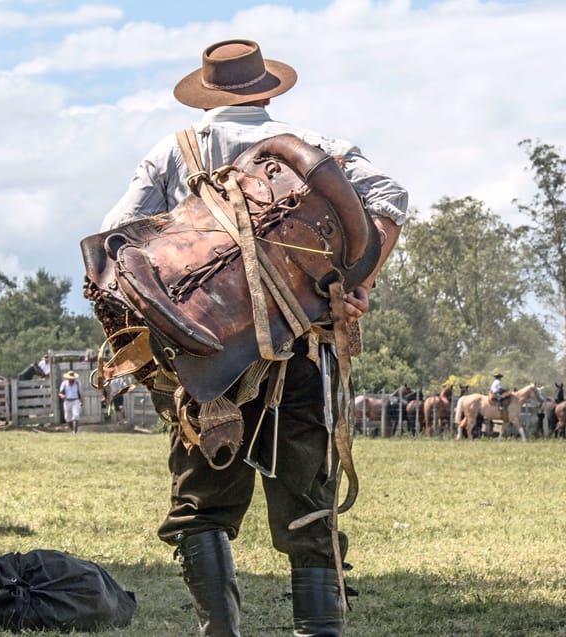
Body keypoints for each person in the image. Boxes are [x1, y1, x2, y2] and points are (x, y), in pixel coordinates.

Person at [101, 39, 407, 637]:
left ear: (208, 94)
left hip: (207, 356)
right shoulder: (317, 147)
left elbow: (115, 234)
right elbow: (390, 196)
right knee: (307, 495)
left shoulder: (176, 150)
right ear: (267, 90)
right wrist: (359, 282)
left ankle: (220, 630)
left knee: (200, 504)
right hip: (302, 347)